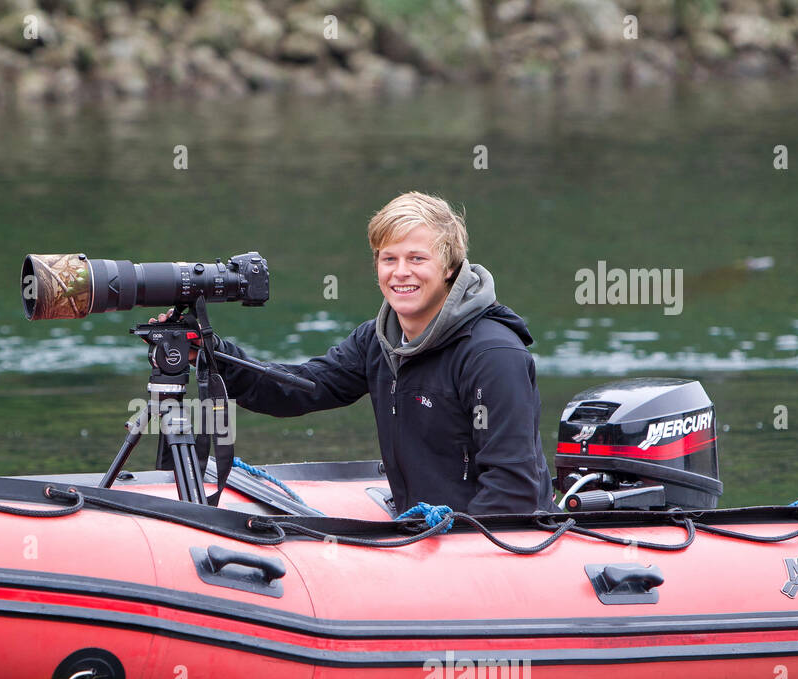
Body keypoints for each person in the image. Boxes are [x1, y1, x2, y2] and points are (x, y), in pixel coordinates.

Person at [205, 191, 554, 515]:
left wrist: (447, 554)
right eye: (389, 258)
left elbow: (512, 490)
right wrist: (212, 354)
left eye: (417, 258)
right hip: (421, 535)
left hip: (487, 550)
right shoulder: (378, 341)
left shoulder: (492, 354)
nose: (401, 272)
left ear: (450, 268)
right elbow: (298, 389)